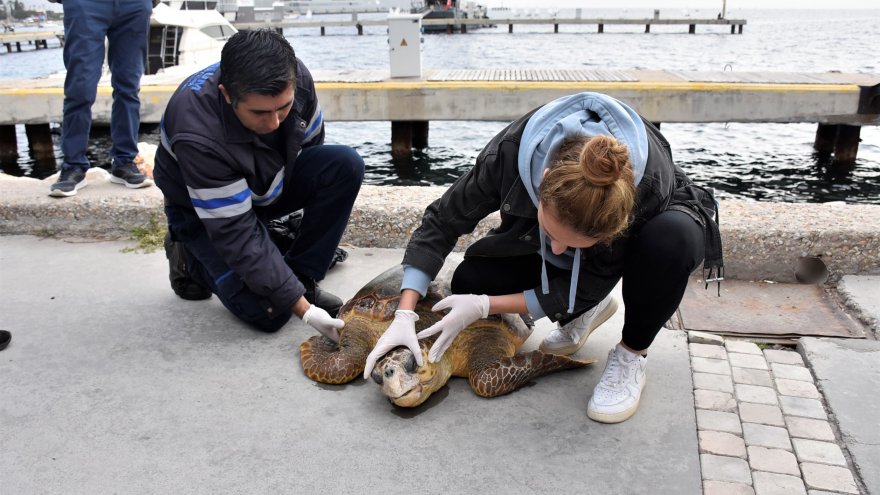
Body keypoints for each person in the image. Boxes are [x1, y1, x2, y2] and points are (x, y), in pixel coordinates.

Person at [364, 92, 722, 423]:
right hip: (572, 230)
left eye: (574, 244)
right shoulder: (508, 154)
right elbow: (442, 221)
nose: (558, 251)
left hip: (656, 230)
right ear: (543, 181)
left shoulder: (648, 185)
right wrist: (405, 312)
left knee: (670, 241)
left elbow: (594, 277)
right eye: (552, 234)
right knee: (471, 281)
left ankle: (631, 355)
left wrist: (487, 307)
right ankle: (584, 308)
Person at [153, 29, 364, 340]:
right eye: (260, 112)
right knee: (270, 313)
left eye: (283, 108)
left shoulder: (298, 78)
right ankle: (188, 254)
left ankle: (301, 276)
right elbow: (235, 231)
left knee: (344, 164)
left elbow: (311, 151)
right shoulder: (195, 130)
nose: (275, 123)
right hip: (204, 213)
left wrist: (294, 284)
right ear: (227, 95)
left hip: (261, 185)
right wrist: (305, 311)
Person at [48, 0, 155, 197]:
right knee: (80, 88)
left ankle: (125, 161)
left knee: (129, 87)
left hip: (134, 5)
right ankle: (73, 166)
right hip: (86, 4)